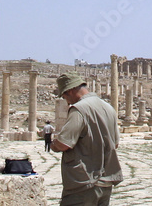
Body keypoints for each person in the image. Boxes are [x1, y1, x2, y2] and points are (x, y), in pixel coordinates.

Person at [51, 72, 123, 205]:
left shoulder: (79, 110)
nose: (66, 101)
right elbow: (115, 144)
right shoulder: (109, 108)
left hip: (84, 183)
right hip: (106, 182)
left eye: (64, 96)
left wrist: (53, 144)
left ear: (71, 90)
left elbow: (63, 143)